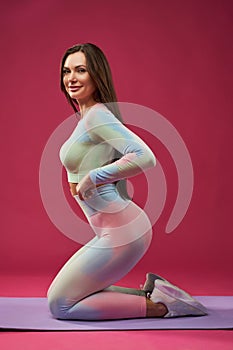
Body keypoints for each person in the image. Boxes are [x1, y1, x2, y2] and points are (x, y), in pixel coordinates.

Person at [47, 43, 207, 320]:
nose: (71, 78)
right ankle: (155, 292)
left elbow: (144, 156)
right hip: (111, 231)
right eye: (66, 71)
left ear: (96, 75)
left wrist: (92, 178)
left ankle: (162, 307)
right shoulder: (86, 116)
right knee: (68, 295)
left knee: (60, 305)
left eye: (81, 70)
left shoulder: (98, 115)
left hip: (123, 233)